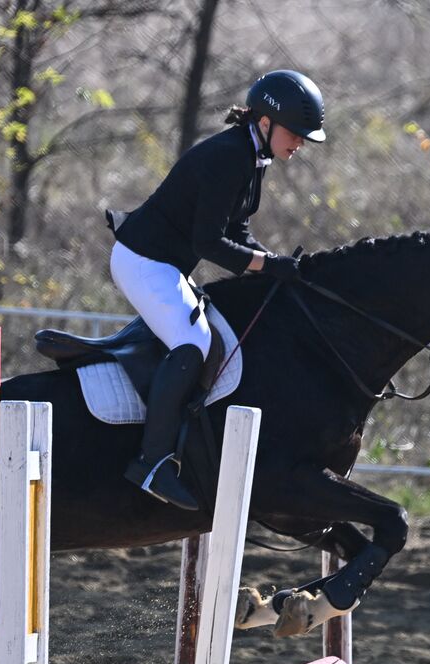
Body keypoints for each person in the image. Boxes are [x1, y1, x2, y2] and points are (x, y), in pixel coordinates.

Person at [107, 70, 326, 510]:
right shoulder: (230, 157)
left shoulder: (250, 156)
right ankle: (151, 462)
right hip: (143, 261)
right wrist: (268, 264)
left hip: (165, 262)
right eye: (296, 133)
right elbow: (207, 244)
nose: (300, 143)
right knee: (194, 342)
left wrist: (275, 266)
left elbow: (236, 231)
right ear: (265, 123)